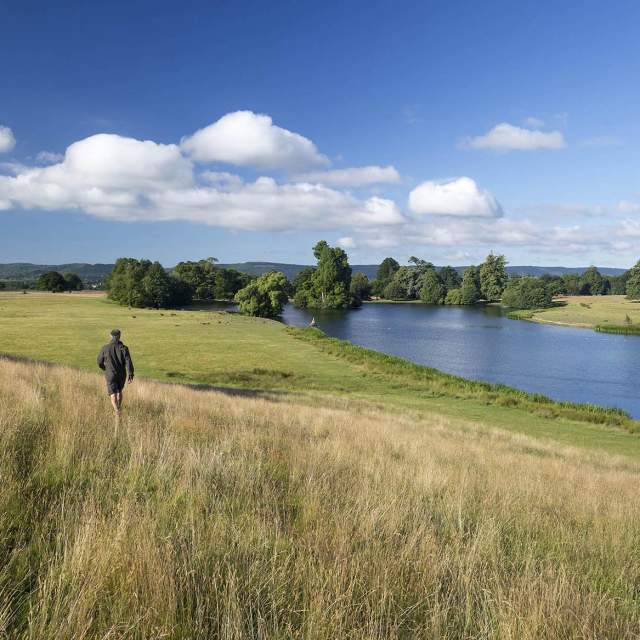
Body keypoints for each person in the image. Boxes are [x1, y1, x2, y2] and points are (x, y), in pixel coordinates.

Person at [97, 329, 134, 414]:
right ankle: (119, 407)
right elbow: (128, 361)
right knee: (119, 391)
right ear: (119, 336)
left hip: (110, 374)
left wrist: (104, 368)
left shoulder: (105, 348)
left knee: (113, 392)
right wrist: (130, 374)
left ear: (110, 336)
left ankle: (116, 410)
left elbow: (99, 361)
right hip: (121, 374)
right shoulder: (124, 348)